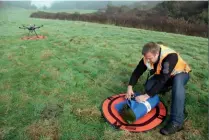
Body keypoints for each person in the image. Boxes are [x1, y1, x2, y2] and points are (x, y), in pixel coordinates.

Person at [126, 42, 191, 135]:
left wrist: (146, 96)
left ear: (156, 54)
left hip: (180, 74)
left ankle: (177, 122)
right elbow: (137, 72)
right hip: (165, 76)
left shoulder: (170, 57)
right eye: (146, 58)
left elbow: (163, 79)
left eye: (150, 58)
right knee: (148, 86)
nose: (148, 60)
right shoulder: (148, 56)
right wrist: (130, 86)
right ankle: (165, 88)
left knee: (177, 86)